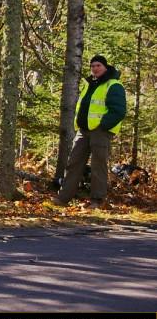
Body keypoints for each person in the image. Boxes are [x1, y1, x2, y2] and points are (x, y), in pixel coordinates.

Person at [54, 55, 126, 209]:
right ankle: (63, 198)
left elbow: (119, 111)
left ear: (105, 67)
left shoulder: (113, 85)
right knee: (73, 163)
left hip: (100, 131)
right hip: (83, 130)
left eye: (98, 65)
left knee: (98, 165)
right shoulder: (89, 84)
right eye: (93, 66)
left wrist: (102, 125)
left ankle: (97, 201)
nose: (95, 68)